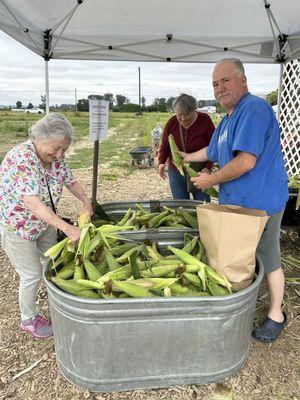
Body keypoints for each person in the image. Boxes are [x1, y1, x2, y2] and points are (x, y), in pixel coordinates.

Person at [181, 58, 289, 343]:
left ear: (243, 80)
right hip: (239, 202)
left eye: (225, 80)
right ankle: (243, 304)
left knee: (269, 257)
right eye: (215, 84)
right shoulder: (229, 118)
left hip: (261, 202)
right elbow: (214, 150)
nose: (219, 88)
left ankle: (276, 315)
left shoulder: (253, 109)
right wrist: (189, 157)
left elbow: (246, 162)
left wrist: (210, 180)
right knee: (242, 256)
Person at [0, 113, 93, 339]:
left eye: (64, 149)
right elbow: (32, 202)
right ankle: (28, 318)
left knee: (51, 263)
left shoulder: (56, 157)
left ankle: (51, 296)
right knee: (30, 273)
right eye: (56, 148)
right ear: (39, 138)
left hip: (44, 224)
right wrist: (68, 228)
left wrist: (87, 202)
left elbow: (69, 180)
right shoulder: (21, 158)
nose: (60, 155)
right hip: (18, 227)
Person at [158, 93, 215, 201]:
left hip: (198, 171)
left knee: (202, 203)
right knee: (180, 205)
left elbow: (214, 147)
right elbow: (165, 145)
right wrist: (161, 162)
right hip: (175, 171)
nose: (183, 118)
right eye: (179, 114)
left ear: (194, 110)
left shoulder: (205, 120)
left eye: (187, 114)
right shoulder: (172, 123)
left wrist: (208, 167)